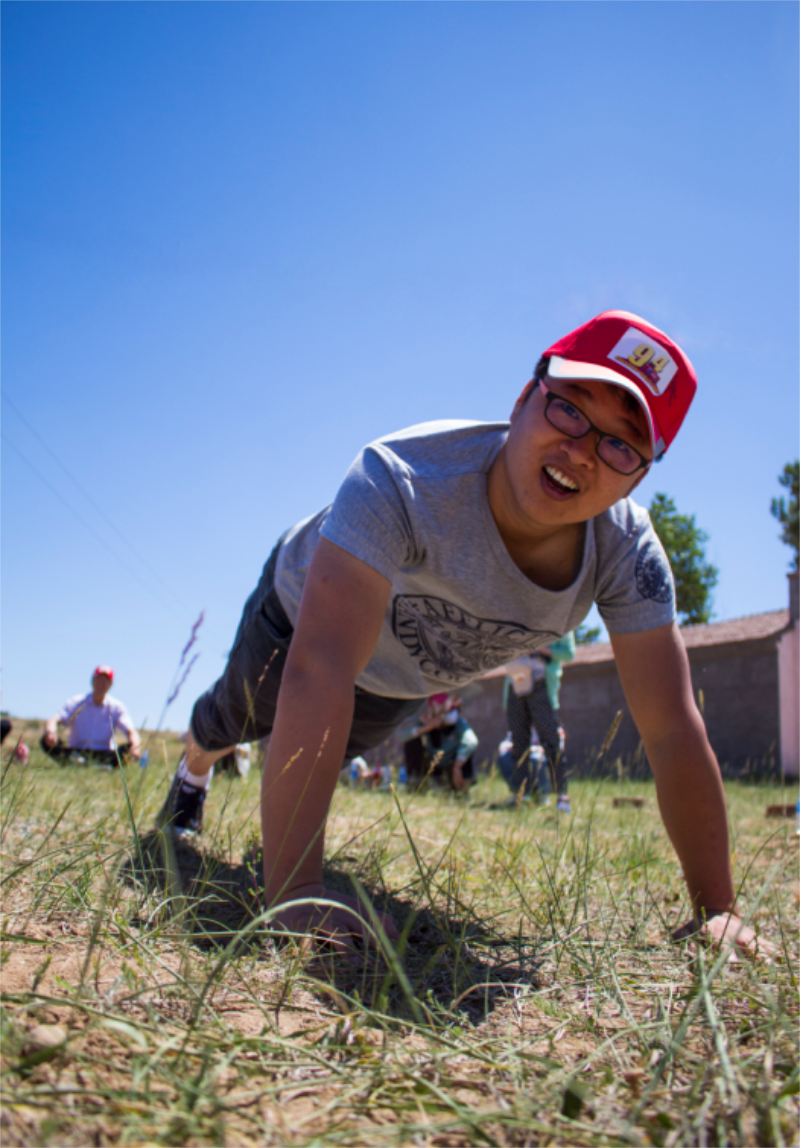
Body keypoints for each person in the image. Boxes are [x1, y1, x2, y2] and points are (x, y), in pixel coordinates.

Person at [157, 309, 767, 959]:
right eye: (568, 408)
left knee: (326, 757)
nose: (581, 451)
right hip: (300, 619)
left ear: (639, 476)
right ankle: (193, 775)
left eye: (620, 445)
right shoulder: (402, 477)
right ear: (523, 399)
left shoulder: (625, 552)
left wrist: (717, 909)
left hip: (402, 680)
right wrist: (296, 895)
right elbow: (321, 668)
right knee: (234, 719)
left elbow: (671, 726)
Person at [485, 630, 575, 809]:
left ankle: (561, 796)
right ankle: (522, 795)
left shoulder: (560, 618)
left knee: (551, 742)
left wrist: (541, 650)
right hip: (516, 681)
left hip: (542, 685)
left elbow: (569, 654)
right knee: (518, 742)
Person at [42, 666, 141, 766]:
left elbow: (131, 731)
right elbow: (54, 720)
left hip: (105, 752)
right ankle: (80, 763)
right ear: (92, 681)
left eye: (105, 680)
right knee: (46, 741)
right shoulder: (76, 702)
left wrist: (135, 746)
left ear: (110, 684)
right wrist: (51, 732)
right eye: (98, 679)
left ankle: (94, 764)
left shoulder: (117, 707)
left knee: (128, 748)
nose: (101, 683)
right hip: (76, 750)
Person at [398, 693, 479, 791]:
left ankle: (462, 788)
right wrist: (426, 728)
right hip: (432, 767)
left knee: (466, 752)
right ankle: (416, 784)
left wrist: (457, 765)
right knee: (412, 742)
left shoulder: (459, 724)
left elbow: (472, 741)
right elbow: (401, 736)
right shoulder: (426, 723)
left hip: (452, 767)